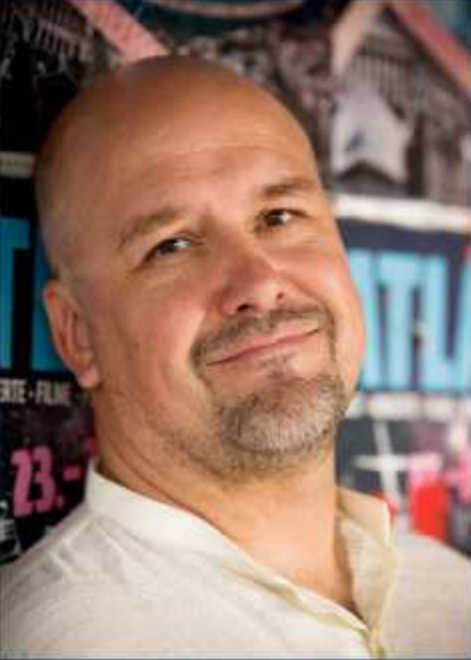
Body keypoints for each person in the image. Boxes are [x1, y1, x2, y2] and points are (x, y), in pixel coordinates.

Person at [0, 56, 469, 659]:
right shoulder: (65, 644)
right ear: (77, 334)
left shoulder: (450, 588)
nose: (259, 282)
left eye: (279, 217)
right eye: (171, 245)